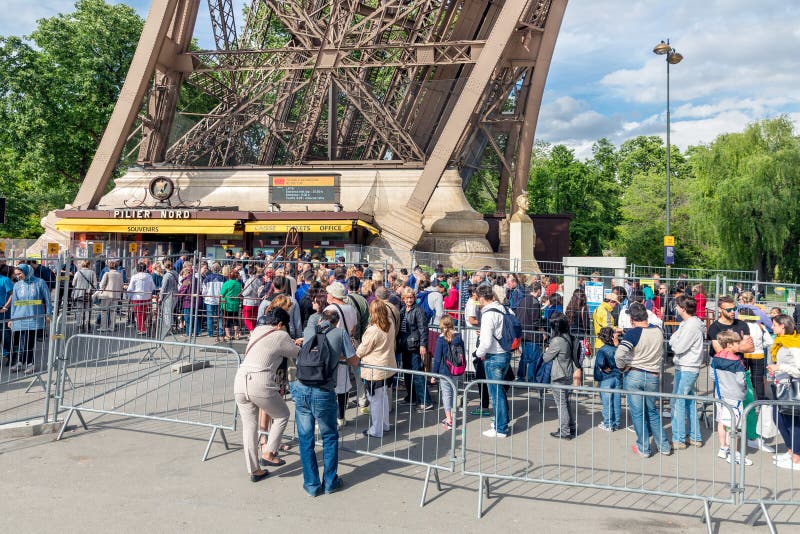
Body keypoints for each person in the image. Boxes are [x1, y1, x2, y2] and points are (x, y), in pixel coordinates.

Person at [294, 308, 357, 496]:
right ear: (336, 322)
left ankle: (311, 485)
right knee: (329, 436)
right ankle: (330, 482)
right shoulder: (340, 333)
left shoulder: (309, 330)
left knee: (306, 439)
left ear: (321, 319)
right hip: (323, 390)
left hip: (302, 386)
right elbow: (353, 360)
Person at [234, 308, 300, 482]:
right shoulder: (281, 335)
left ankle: (253, 469)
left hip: (240, 380)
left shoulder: (257, 330)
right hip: (260, 381)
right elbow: (295, 352)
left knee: (249, 427)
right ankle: (269, 452)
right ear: (280, 324)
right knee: (282, 415)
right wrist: (297, 342)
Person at [615, 302, 671, 457]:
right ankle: (664, 446)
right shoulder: (658, 331)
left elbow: (619, 354)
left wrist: (622, 367)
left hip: (635, 373)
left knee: (638, 413)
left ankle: (644, 447)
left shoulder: (632, 334)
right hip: (652, 374)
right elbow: (647, 330)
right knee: (652, 411)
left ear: (632, 319)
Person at [355, 300, 397, 438]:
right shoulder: (390, 323)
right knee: (382, 396)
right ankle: (384, 424)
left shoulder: (373, 330)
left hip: (375, 369)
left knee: (375, 399)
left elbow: (363, 349)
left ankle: (376, 429)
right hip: (387, 365)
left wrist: (355, 352)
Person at [669, 295, 706, 449]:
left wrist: (674, 342)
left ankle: (678, 439)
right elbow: (673, 339)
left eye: (677, 306)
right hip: (686, 367)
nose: (676, 308)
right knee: (689, 402)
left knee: (677, 402)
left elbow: (677, 346)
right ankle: (695, 437)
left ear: (683, 308)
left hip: (686, 367)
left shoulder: (690, 326)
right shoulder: (687, 323)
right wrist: (675, 341)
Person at [710, 330, 752, 466]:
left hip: (720, 393)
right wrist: (745, 389)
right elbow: (741, 381)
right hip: (735, 396)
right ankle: (734, 453)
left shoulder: (715, 358)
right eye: (737, 343)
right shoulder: (738, 362)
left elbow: (712, 375)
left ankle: (723, 448)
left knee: (722, 420)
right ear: (729, 344)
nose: (739, 345)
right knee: (736, 425)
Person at [475, 284, 511, 438]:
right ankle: (500, 420)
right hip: (505, 353)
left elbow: (486, 342)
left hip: (494, 356)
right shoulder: (504, 309)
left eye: (479, 299)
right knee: (499, 391)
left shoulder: (488, 314)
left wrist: (478, 353)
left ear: (483, 298)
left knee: (496, 393)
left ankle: (500, 428)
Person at [768, 314, 800, 470]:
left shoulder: (793, 344)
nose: (772, 327)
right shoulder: (780, 342)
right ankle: (790, 451)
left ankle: (797, 457)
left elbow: (799, 369)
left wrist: (780, 367)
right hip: (780, 385)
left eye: (774, 324)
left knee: (792, 422)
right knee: (779, 418)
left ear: (783, 326)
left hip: (791, 386)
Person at [8, 264, 52, 373]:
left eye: (20, 274)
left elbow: (47, 299)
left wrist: (48, 314)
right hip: (20, 316)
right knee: (22, 340)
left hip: (34, 316)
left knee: (29, 340)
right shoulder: (17, 285)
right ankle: (22, 362)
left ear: (27, 271)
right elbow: (14, 303)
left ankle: (28, 363)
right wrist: (11, 318)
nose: (18, 276)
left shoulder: (40, 283)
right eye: (16, 274)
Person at [397, 287, 432, 412]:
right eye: (407, 298)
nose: (409, 300)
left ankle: (425, 401)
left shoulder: (418, 311)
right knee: (407, 373)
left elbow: (423, 329)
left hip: (415, 346)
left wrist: (423, 345)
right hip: (405, 345)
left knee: (418, 374)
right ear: (403, 299)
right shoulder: (402, 310)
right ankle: (411, 397)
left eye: (411, 297)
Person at [544, 312, 577, 439]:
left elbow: (546, 358)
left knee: (561, 404)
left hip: (559, 375)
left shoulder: (557, 340)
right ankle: (570, 427)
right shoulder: (568, 336)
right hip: (568, 372)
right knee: (566, 403)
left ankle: (564, 431)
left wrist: (547, 349)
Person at [432, 315, 464, 430]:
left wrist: (434, 374)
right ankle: (453, 416)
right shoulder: (459, 336)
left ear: (442, 326)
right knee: (454, 392)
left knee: (446, 394)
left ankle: (449, 419)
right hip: (456, 370)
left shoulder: (441, 339)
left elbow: (437, 358)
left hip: (444, 370)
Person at [594, 326, 622, 431]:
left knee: (607, 402)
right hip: (617, 376)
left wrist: (604, 367)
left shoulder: (602, 350)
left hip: (606, 377)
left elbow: (600, 362)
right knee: (616, 400)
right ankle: (616, 422)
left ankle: (608, 423)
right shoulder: (617, 348)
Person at [516, 282, 544, 382]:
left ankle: (520, 377)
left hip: (523, 333)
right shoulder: (535, 302)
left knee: (524, 356)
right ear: (538, 290)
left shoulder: (522, 300)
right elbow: (536, 320)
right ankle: (532, 380)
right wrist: (542, 331)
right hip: (532, 334)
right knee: (533, 358)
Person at [127, 263, 156, 335]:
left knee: (138, 313)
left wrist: (129, 297)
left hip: (137, 297)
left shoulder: (134, 277)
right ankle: (144, 327)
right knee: (145, 313)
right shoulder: (149, 276)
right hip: (147, 297)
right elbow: (153, 287)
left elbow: (130, 288)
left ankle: (141, 329)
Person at [96, 259, 124, 332]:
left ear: (109, 267)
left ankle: (104, 327)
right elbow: (122, 285)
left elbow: (101, 285)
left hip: (106, 295)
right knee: (113, 312)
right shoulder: (119, 274)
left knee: (104, 311)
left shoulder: (107, 274)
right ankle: (112, 327)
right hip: (115, 295)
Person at [72, 260, 97, 332]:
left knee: (79, 310)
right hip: (88, 294)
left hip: (79, 294)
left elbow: (73, 283)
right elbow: (95, 284)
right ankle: (87, 324)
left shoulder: (78, 272)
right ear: (89, 265)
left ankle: (79, 325)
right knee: (88, 310)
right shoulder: (92, 273)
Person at [202, 262, 225, 341]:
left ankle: (210, 333)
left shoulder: (207, 278)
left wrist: (205, 297)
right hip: (220, 300)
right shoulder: (223, 278)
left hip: (209, 300)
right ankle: (220, 332)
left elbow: (204, 291)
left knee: (210, 317)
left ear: (212, 269)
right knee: (220, 317)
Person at [219, 270, 242, 341]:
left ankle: (228, 335)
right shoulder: (238, 284)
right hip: (235, 304)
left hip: (227, 304)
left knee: (227, 320)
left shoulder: (227, 283)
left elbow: (222, 294)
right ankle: (236, 334)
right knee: (235, 319)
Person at [159, 260, 179, 337]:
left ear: (164, 266)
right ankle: (171, 327)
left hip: (168, 295)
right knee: (170, 311)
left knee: (167, 312)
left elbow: (163, 288)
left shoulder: (167, 275)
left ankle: (168, 329)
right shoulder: (175, 273)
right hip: (175, 294)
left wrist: (160, 298)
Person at [0, 265, 14, 363]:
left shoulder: (5, 280)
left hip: (3, 311)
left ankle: (10, 356)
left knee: (5, 334)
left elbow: (12, 294)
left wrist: (5, 307)